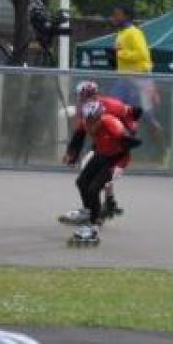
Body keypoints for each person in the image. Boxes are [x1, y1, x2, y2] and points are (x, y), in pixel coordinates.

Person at [60, 101, 139, 245]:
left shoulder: (111, 123)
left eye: (93, 121)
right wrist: (72, 155)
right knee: (81, 182)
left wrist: (128, 141)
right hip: (101, 154)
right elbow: (78, 139)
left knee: (94, 189)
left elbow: (128, 141)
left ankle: (94, 227)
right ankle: (88, 213)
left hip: (116, 159)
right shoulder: (86, 123)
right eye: (88, 121)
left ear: (100, 117)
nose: (91, 125)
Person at [63, 81, 141, 218]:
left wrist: (128, 135)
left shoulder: (111, 105)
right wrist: (72, 154)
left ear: (92, 95)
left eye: (82, 96)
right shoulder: (85, 110)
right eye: (79, 96)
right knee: (86, 175)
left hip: (117, 144)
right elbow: (80, 133)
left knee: (98, 181)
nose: (80, 99)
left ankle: (99, 210)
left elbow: (135, 112)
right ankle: (102, 205)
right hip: (101, 145)